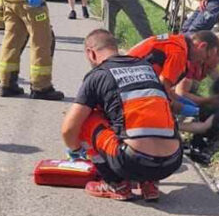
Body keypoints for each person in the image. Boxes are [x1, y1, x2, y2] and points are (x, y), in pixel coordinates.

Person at [62, 29, 183, 201]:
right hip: (172, 161)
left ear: (91, 53)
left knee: (87, 118)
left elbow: (69, 127)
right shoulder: (147, 67)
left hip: (131, 161)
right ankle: (149, 184)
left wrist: (75, 151)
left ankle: (116, 184)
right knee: (150, 113)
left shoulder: (99, 75)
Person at [126, 31, 219, 107]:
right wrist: (180, 107)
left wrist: (177, 99)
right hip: (128, 82)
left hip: (125, 71)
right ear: (202, 46)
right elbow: (162, 88)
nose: (202, 61)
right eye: (206, 57)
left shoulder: (177, 40)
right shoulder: (179, 53)